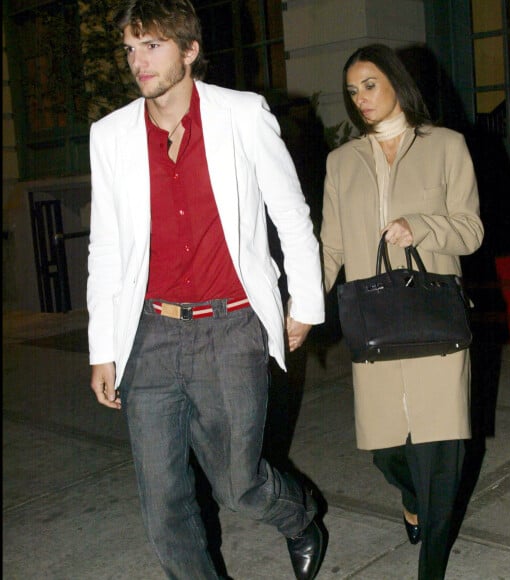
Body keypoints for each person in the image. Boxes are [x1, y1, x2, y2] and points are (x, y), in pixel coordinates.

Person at [86, 1, 327, 578]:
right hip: (149, 334)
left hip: (232, 326)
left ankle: (300, 519)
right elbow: (107, 246)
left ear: (189, 51)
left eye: (152, 46)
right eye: (130, 49)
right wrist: (102, 347)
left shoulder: (241, 114)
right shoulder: (111, 134)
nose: (138, 62)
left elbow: (290, 215)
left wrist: (307, 305)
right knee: (163, 501)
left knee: (239, 485)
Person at [319, 44, 484, 579]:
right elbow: (332, 247)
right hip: (373, 321)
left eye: (369, 84)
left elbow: (472, 229)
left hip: (433, 316)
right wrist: (303, 311)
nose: (360, 98)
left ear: (395, 81)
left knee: (440, 451)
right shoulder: (341, 162)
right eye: (352, 90)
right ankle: (411, 496)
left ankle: (430, 567)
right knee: (385, 449)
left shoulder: (447, 147)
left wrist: (424, 226)